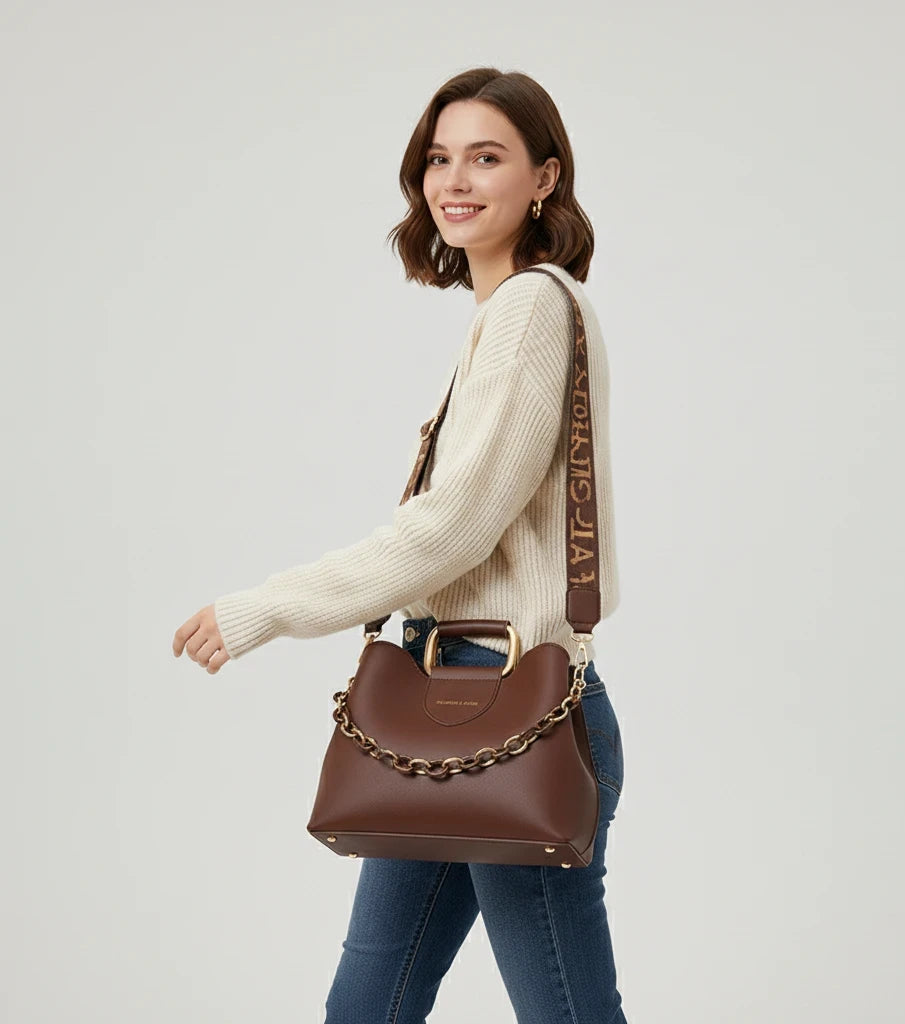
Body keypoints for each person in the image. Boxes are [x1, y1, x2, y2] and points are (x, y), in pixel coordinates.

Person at [172, 66, 627, 1024]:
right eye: (438, 159)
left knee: (563, 1013)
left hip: (513, 715)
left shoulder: (532, 311)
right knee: (369, 999)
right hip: (451, 711)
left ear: (544, 178)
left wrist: (268, 608)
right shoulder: (506, 314)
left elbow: (451, 527)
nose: (455, 181)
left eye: (487, 158)